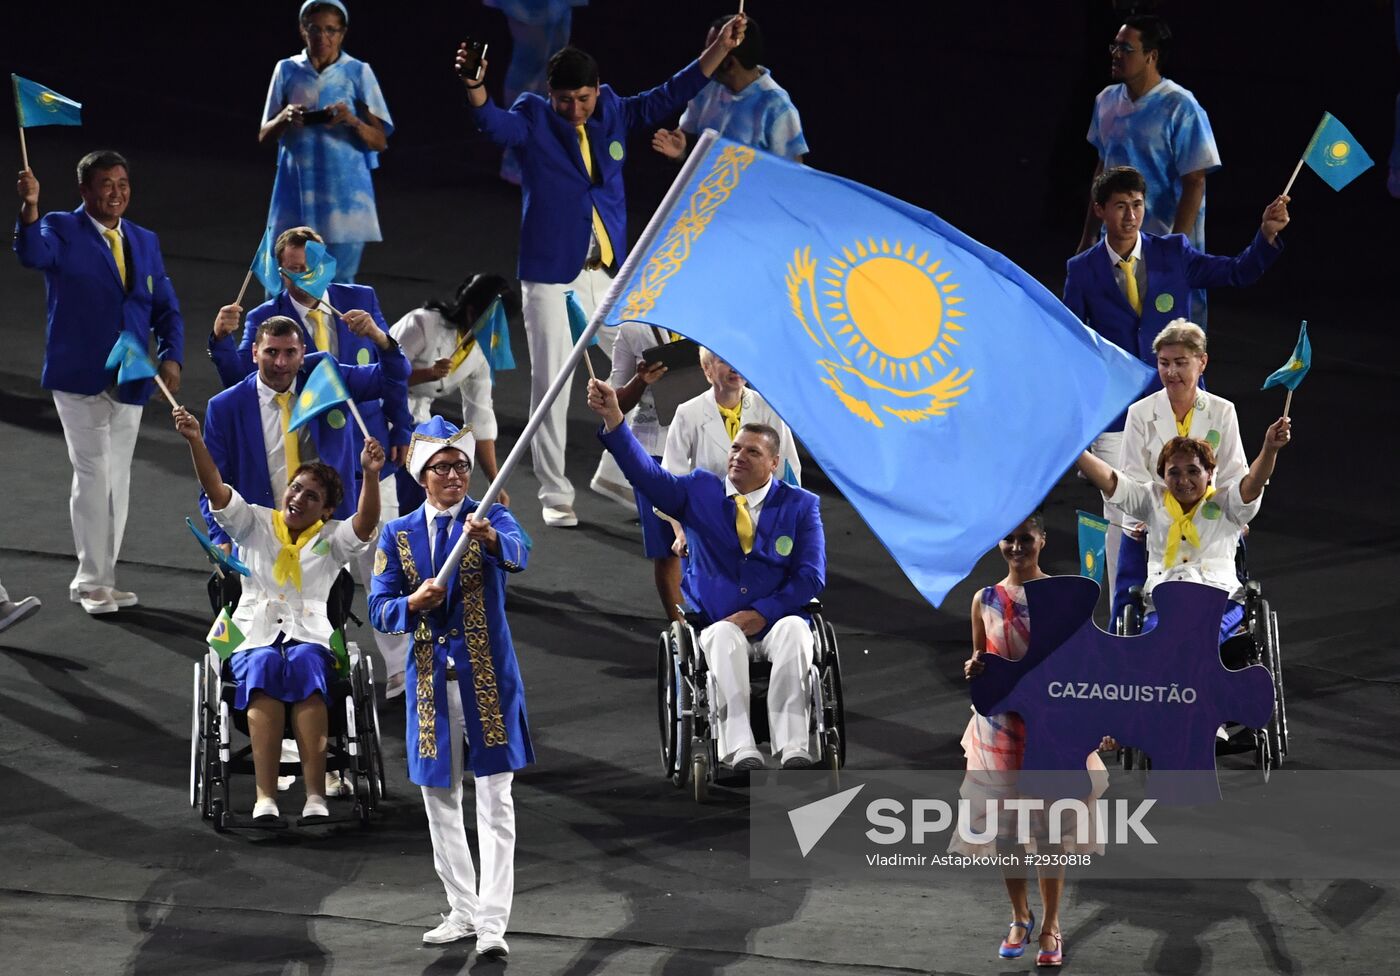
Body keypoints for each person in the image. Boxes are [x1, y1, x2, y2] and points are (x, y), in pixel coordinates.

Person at [456, 16, 748, 527]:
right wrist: (478, 88)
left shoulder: (611, 108)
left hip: (606, 269)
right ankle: (554, 493)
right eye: (565, 100)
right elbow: (493, 125)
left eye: (584, 99)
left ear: (596, 90)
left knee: (647, 366)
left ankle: (619, 470)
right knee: (552, 383)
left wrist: (719, 50)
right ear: (550, 93)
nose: (575, 110)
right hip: (550, 272)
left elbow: (667, 94)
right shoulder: (532, 115)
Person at [1063, 165, 1286, 603]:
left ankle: (1206, 599)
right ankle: (1123, 619)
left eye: (1138, 205)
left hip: (1182, 402)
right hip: (1118, 416)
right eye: (1121, 207)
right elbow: (1072, 349)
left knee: (1203, 509)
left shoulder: (1173, 253)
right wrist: (1080, 421)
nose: (1131, 216)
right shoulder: (1082, 270)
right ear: (1100, 210)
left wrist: (1267, 236)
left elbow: (1237, 272)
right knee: (1124, 518)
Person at [588, 378, 824, 771]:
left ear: (774, 463)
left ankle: (795, 746)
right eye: (735, 448)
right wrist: (614, 418)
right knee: (722, 641)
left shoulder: (801, 506)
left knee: (799, 635)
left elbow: (810, 576)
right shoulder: (700, 491)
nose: (738, 457)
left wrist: (764, 612)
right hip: (719, 619)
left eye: (752, 452)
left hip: (778, 617)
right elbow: (647, 475)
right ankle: (739, 748)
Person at [369, 417, 532, 957]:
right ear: (422, 475)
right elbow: (378, 606)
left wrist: (489, 540)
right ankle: (462, 908)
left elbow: (520, 551)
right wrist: (410, 605)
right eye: (443, 468)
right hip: (430, 686)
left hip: (488, 681)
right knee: (440, 798)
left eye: (462, 466)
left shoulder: (491, 517)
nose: (456, 476)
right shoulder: (397, 534)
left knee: (496, 800)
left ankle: (492, 922)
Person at [174, 403, 383, 822]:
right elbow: (215, 488)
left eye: (312, 496)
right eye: (296, 488)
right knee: (264, 669)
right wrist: (196, 440)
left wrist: (372, 475)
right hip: (254, 633)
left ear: (326, 510)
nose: (299, 498)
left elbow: (365, 523)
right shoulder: (254, 522)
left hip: (310, 636)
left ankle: (314, 798)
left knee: (307, 667)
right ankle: (264, 798)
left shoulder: (331, 538)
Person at [14, 150, 185, 615]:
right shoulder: (59, 228)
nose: (117, 192)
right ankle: (90, 581)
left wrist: (172, 358)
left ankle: (104, 579)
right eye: (106, 184)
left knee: (118, 480)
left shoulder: (144, 239)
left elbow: (164, 304)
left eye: (123, 183)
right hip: (79, 376)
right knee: (93, 475)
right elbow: (32, 253)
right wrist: (29, 207)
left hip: (131, 377)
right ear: (84, 191)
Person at [960, 514, 1109, 969]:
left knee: (1047, 834)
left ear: (1043, 540)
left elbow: (1084, 667)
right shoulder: (983, 598)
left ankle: (1051, 926)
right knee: (1006, 832)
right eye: (1009, 537)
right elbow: (981, 659)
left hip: (1050, 730)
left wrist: (1097, 721)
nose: (1017, 546)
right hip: (1000, 730)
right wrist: (973, 669)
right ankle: (1019, 916)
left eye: (1026, 538)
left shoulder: (1062, 598)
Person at [1075, 416, 1293, 639]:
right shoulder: (1151, 500)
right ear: (1163, 475)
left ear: (1209, 473)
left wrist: (1270, 449)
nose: (1183, 480)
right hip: (1163, 603)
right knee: (1156, 639)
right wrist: (1074, 450)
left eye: (1193, 471)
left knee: (1203, 637)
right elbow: (1112, 481)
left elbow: (1254, 481)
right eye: (1174, 472)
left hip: (1221, 600)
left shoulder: (1227, 504)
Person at [1077, 15, 1221, 323]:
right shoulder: (1106, 101)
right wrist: (1089, 236)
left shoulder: (1181, 107)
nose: (1116, 54)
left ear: (1151, 56)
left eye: (1126, 48)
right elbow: (1102, 170)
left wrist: (1174, 247)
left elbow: (1195, 181)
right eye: (1114, 46)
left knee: (1167, 342)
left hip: (1161, 246)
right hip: (1116, 245)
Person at [1113, 320, 1247, 622]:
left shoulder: (1223, 411)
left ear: (1202, 363)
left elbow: (1234, 471)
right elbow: (1133, 474)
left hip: (1208, 518)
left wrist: (1238, 514)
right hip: (1153, 520)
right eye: (1164, 363)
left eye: (1180, 363)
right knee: (1127, 601)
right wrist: (1144, 519)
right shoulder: (1140, 413)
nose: (1171, 372)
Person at [259, 0, 392, 283]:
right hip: (296, 192)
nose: (323, 38)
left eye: (331, 30)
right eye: (315, 29)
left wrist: (352, 120)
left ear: (342, 33)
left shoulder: (357, 71)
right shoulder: (287, 69)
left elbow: (380, 141)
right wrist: (285, 116)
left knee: (340, 284)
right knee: (284, 280)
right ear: (302, 30)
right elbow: (264, 134)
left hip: (345, 198)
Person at [662, 348, 802, 563]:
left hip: (763, 523)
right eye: (724, 360)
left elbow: (788, 471)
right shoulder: (688, 413)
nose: (734, 366)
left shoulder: (769, 408)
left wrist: (784, 528)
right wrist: (681, 533)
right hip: (708, 524)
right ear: (706, 369)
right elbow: (671, 481)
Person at [388, 273, 512, 513]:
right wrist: (426, 374)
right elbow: (381, 375)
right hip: (381, 412)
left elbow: (480, 417)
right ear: (471, 311)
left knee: (429, 486)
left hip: (418, 420)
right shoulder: (421, 324)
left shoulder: (480, 353)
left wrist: (494, 482)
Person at [652, 15, 808, 163]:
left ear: (729, 64)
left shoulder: (777, 107)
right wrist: (679, 153)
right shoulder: (705, 88)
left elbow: (792, 175)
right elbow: (686, 144)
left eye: (711, 50)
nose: (703, 55)